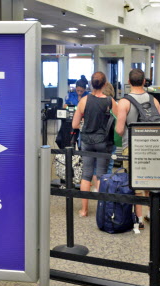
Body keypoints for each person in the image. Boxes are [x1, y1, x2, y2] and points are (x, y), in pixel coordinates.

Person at [116, 68, 160, 230]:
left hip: (131, 147)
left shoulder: (124, 102)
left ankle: (139, 218)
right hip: (152, 147)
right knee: (150, 181)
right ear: (144, 82)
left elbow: (120, 130)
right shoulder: (153, 100)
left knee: (135, 184)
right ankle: (151, 213)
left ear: (129, 82)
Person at [72, 72, 117, 217]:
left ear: (91, 84)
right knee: (101, 175)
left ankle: (84, 210)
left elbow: (74, 124)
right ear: (104, 84)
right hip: (103, 142)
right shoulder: (110, 101)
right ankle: (101, 210)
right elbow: (118, 122)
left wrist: (86, 126)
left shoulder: (84, 100)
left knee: (86, 175)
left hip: (86, 141)